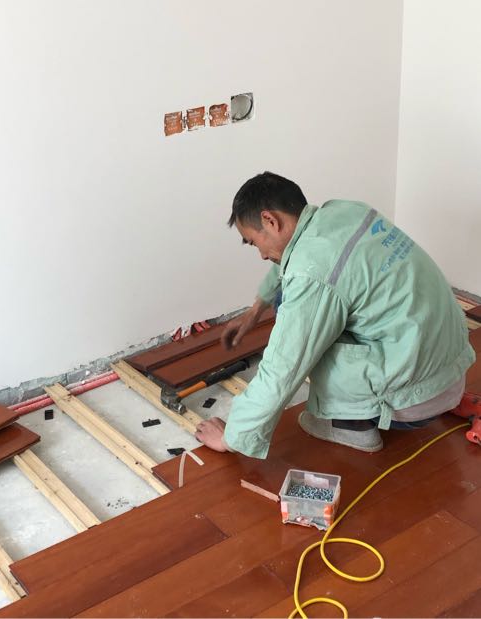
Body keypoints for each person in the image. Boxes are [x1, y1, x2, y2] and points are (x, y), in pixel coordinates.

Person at [195, 172, 475, 458]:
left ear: (270, 220)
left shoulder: (311, 274)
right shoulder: (346, 212)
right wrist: (257, 309)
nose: (262, 255)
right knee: (289, 299)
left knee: (305, 338)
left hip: (414, 403)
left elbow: (283, 366)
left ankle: (350, 425)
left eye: (254, 242)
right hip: (450, 371)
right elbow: (296, 261)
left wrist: (232, 437)